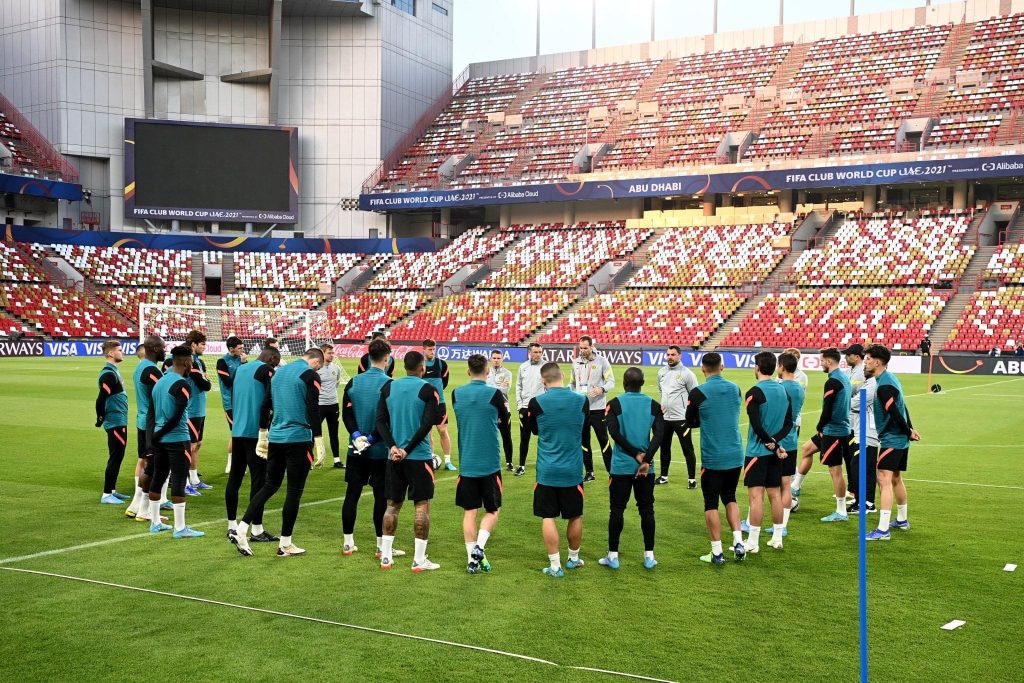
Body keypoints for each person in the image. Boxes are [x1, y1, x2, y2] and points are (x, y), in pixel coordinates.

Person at [233, 347, 325, 557]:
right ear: (316, 362)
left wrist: (262, 435)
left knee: (270, 485)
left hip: (276, 437)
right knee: (294, 491)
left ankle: (241, 528)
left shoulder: (278, 373)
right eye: (319, 367)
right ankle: (285, 544)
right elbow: (313, 409)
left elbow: (265, 406)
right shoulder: (310, 375)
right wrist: (319, 440)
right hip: (298, 439)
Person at [375, 351, 442, 571]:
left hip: (394, 457)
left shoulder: (388, 387)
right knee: (421, 506)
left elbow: (380, 421)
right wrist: (407, 450)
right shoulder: (428, 390)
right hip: (419, 457)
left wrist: (393, 447)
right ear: (423, 367)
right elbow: (427, 424)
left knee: (392, 506)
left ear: (404, 367)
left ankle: (386, 557)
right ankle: (419, 560)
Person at [339, 338, 403, 559]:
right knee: (380, 498)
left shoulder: (353, 382)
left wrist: (357, 436)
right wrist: (373, 438)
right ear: (387, 359)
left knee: (352, 495)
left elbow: (346, 414)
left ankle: (348, 543)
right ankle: (380, 546)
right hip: (379, 451)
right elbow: (388, 419)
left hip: (355, 450)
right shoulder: (390, 384)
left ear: (368, 357)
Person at [528, 361, 588, 577]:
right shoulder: (582, 400)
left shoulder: (536, 403)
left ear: (543, 381)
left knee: (548, 516)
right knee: (575, 515)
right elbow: (583, 427)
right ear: (562, 375)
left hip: (547, 470)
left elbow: (534, 430)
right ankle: (573, 558)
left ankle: (555, 566)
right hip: (572, 470)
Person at [685, 352, 746, 565]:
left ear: (703, 368)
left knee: (711, 503)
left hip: (713, 456)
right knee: (730, 497)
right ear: (722, 367)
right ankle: (739, 542)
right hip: (735, 452)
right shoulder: (735, 388)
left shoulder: (698, 392)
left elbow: (689, 421)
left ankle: (717, 552)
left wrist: (704, 418)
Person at [453, 354, 511, 574]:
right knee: (493, 510)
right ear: (487, 371)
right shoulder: (494, 394)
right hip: (489, 463)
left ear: (468, 371)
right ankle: (479, 546)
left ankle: (472, 560)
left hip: (467, 462)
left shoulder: (457, 394)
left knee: (470, 512)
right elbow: (505, 420)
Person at [602, 367, 664, 570]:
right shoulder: (654, 405)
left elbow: (614, 433)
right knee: (647, 510)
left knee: (617, 509)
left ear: (624, 383)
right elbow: (659, 435)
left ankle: (613, 556)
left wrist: (634, 453)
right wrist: (646, 458)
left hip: (621, 466)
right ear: (642, 383)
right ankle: (649, 556)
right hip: (646, 468)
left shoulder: (614, 404)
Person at [145, 345, 204, 538]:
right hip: (178, 438)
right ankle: (180, 528)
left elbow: (152, 413)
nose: (192, 366)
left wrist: (154, 436)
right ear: (186, 362)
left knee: (158, 476)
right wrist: (161, 433)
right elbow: (178, 416)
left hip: (159, 439)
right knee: (178, 479)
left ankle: (155, 522)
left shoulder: (160, 382)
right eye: (191, 363)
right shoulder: (182, 384)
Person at [225, 346, 282, 546]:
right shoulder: (266, 370)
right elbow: (271, 400)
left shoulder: (241, 369)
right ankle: (256, 528)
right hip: (255, 432)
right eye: (276, 363)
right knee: (259, 480)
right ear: (272, 359)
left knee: (235, 477)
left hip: (238, 430)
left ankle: (231, 524)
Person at [864, 344, 921, 541]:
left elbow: (895, 413)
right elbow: (903, 407)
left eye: (868, 359)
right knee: (896, 477)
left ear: (877, 362)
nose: (865, 362)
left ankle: (882, 530)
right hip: (900, 438)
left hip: (893, 439)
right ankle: (902, 520)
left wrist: (907, 430)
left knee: (883, 478)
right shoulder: (890, 378)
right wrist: (910, 429)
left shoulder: (884, 387)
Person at [741, 352, 793, 553]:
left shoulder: (754, 392)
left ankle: (753, 542)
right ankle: (777, 538)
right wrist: (776, 442)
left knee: (756, 497)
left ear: (757, 367)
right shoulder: (783, 391)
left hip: (757, 451)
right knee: (775, 494)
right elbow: (788, 423)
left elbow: (756, 425)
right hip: (774, 452)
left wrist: (768, 441)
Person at [127, 335, 168, 521]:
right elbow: (162, 396)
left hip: (142, 421)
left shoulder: (140, 366)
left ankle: (136, 506)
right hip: (152, 424)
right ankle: (145, 509)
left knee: (146, 463)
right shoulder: (151, 370)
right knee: (154, 467)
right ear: (156, 349)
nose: (165, 351)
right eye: (163, 348)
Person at [814, 348, 853, 523]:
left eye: (822, 361)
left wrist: (820, 426)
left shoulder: (832, 381)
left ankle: (841, 511)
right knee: (809, 450)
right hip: (842, 428)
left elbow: (827, 409)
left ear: (829, 361)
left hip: (834, 430)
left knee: (835, 470)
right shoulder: (844, 377)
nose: (821, 364)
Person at [570, 335, 615, 482]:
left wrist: (601, 389)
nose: (582, 351)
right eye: (581, 348)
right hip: (581, 409)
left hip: (598, 409)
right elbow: (572, 383)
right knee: (584, 441)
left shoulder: (602, 361)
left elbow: (611, 381)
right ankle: (589, 472)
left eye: (585, 348)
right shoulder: (575, 363)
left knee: (603, 440)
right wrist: (572, 394)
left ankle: (612, 471)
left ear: (591, 346)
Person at [656, 345, 698, 488]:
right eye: (668, 354)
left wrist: (690, 414)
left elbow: (694, 395)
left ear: (679, 356)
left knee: (687, 449)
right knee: (664, 448)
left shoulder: (687, 374)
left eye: (673, 354)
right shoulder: (661, 372)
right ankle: (664, 476)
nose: (670, 357)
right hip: (665, 418)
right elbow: (661, 391)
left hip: (682, 418)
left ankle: (692, 479)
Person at [95, 340, 130, 505]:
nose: (122, 352)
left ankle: (113, 490)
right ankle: (107, 494)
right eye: (119, 350)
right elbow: (101, 398)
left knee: (118, 455)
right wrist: (100, 417)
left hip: (119, 418)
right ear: (110, 353)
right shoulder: (108, 374)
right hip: (115, 420)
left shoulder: (113, 371)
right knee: (116, 456)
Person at [776, 352, 805, 536]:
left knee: (769, 485)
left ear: (782, 367)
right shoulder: (799, 388)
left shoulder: (781, 388)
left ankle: (754, 523)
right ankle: (783, 526)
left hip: (779, 440)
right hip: (792, 438)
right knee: (786, 485)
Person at [183, 330, 213, 496]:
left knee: (197, 444)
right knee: (190, 446)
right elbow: (205, 384)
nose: (204, 347)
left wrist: (205, 380)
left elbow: (205, 382)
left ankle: (194, 479)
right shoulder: (190, 361)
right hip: (191, 409)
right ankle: (184, 482)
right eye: (202, 344)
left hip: (200, 408)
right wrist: (205, 380)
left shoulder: (199, 362)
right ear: (193, 344)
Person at [849, 356, 879, 514]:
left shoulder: (872, 385)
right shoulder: (869, 383)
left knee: (858, 468)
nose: (864, 369)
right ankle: (867, 503)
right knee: (867, 469)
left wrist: (849, 400)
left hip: (866, 432)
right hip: (865, 431)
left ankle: (862, 503)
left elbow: (855, 403)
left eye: (866, 366)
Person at [216, 336, 247, 475]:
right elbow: (228, 382)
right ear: (231, 349)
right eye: (239, 348)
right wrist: (242, 366)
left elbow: (247, 379)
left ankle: (240, 463)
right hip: (230, 403)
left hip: (243, 401)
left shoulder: (242, 360)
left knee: (243, 433)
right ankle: (231, 462)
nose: (242, 350)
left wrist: (244, 364)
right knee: (235, 433)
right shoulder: (222, 362)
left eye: (242, 347)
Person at [422, 339, 454, 470]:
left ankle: (448, 461)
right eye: (430, 349)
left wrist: (436, 393)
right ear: (424, 349)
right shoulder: (420, 365)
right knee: (428, 432)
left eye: (434, 349)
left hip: (440, 403)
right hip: (425, 404)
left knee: (442, 430)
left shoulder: (442, 364)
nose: (432, 352)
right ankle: (430, 458)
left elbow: (444, 382)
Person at [515, 342, 546, 476]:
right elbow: (518, 386)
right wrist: (520, 405)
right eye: (535, 352)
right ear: (529, 352)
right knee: (524, 437)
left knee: (544, 437)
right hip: (525, 408)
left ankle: (544, 464)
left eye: (540, 352)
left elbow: (550, 387)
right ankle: (521, 465)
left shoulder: (546, 367)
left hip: (541, 408)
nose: (538, 355)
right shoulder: (523, 367)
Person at [842, 343, 867, 503]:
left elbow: (856, 395)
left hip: (856, 423)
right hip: (847, 421)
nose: (846, 357)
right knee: (848, 457)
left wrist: (844, 400)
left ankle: (858, 494)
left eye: (848, 355)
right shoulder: (848, 371)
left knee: (854, 459)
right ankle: (852, 490)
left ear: (857, 356)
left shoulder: (862, 373)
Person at [486, 349, 515, 472]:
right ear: (490, 359)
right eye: (494, 358)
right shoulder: (486, 372)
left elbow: (505, 390)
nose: (496, 360)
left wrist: (490, 388)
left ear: (502, 359)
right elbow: (489, 389)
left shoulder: (507, 373)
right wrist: (497, 387)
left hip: (504, 408)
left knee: (506, 436)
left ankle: (509, 462)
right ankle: (490, 460)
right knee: (489, 436)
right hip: (489, 408)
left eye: (498, 358)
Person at [317, 342, 345, 469]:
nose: (332, 355)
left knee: (334, 433)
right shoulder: (316, 369)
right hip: (320, 405)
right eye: (329, 353)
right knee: (314, 432)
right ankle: (309, 460)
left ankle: (337, 460)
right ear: (322, 353)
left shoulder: (336, 368)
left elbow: (336, 384)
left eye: (332, 352)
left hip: (333, 404)